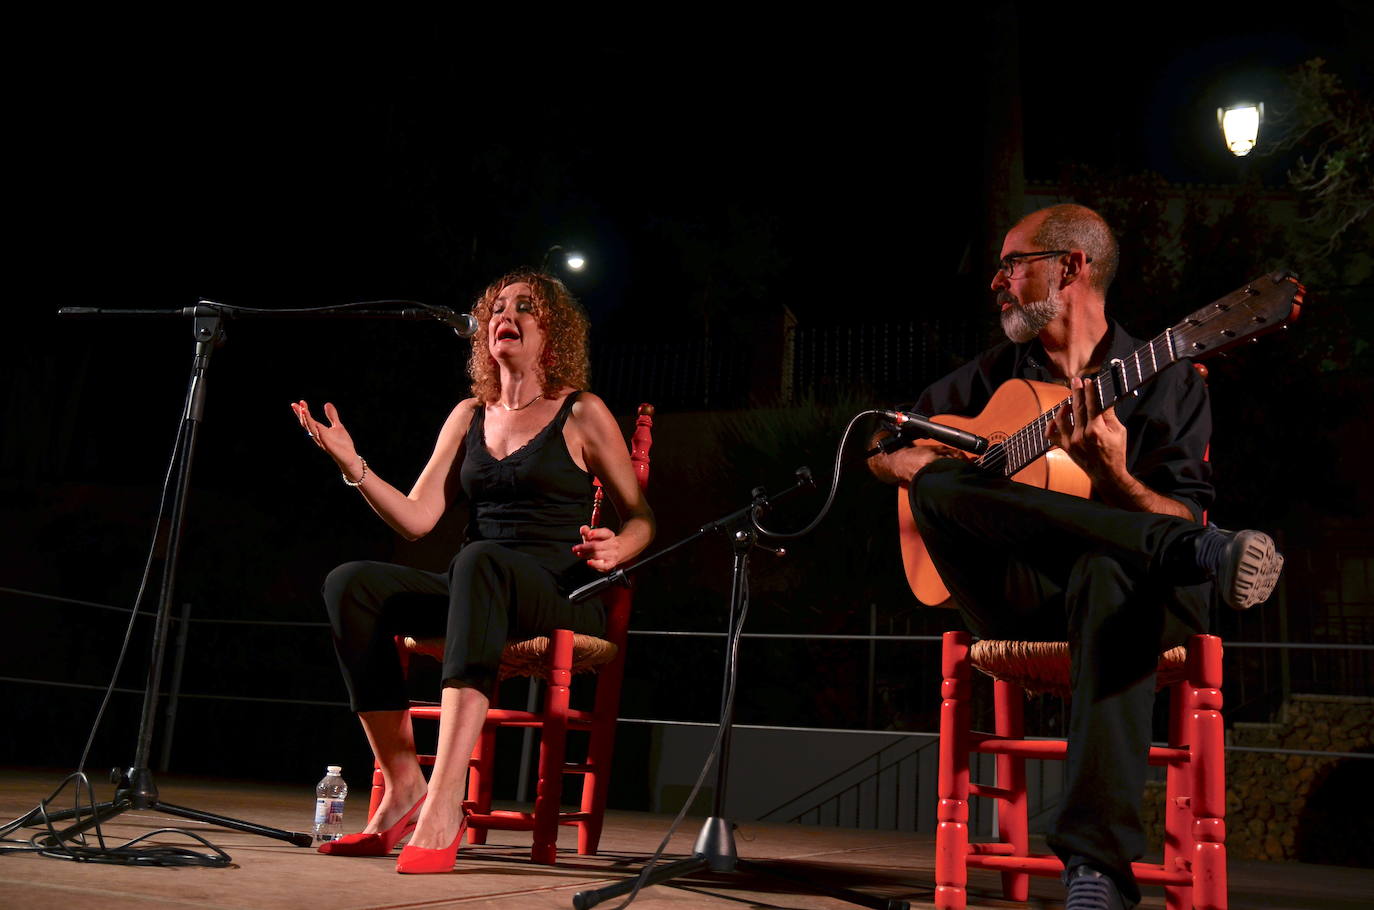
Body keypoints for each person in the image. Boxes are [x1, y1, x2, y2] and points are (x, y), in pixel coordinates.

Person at [868, 204, 1282, 910]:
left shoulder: (1169, 380)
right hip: (1022, 594)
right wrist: (907, 465)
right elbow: (882, 446)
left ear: (1071, 267)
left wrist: (1117, 479)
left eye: (1012, 263)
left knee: (1108, 572)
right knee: (936, 480)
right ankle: (1200, 552)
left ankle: (1096, 870)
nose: (996, 282)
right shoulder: (993, 375)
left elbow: (1183, 498)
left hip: (1143, 600)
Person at [291, 270, 654, 874]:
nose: (504, 315)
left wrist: (622, 546)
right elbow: (416, 519)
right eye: (497, 308)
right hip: (477, 586)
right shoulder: (468, 416)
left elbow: (641, 516)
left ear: (553, 334)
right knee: (350, 584)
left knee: (477, 561)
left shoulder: (581, 412)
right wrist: (354, 465)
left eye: (524, 308)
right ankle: (405, 784)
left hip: (557, 591)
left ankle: (443, 804)